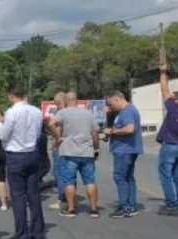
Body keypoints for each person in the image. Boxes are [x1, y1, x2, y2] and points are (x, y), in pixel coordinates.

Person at [0, 85, 45, 239]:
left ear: (11, 95)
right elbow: (38, 134)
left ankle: (22, 234)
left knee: (18, 196)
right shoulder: (37, 111)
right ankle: (38, 233)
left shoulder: (11, 112)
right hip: (32, 153)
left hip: (16, 154)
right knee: (33, 194)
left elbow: (3, 134)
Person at [48, 92, 101, 217]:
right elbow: (95, 133)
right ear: (76, 100)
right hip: (87, 152)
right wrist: (96, 148)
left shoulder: (63, 112)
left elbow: (51, 124)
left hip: (69, 152)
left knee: (69, 181)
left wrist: (58, 138)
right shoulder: (88, 114)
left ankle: (71, 209)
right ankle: (93, 209)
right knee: (90, 181)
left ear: (66, 101)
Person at [155, 63, 178, 216]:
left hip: (169, 147)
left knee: (166, 177)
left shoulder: (174, 109)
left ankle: (171, 205)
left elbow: (164, 91)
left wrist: (163, 73)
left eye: (174, 99)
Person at [104, 90, 143, 218]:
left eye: (111, 104)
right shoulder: (126, 111)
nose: (111, 107)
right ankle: (130, 205)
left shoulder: (127, 111)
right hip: (128, 149)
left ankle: (125, 206)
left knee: (120, 177)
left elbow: (129, 129)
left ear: (117, 99)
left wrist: (112, 131)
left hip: (124, 150)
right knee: (128, 177)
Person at [49, 92, 68, 211]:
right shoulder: (72, 112)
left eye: (56, 103)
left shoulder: (61, 113)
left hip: (60, 146)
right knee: (68, 173)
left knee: (58, 173)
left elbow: (58, 129)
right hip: (71, 146)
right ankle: (69, 196)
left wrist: (56, 141)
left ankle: (62, 198)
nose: (56, 106)